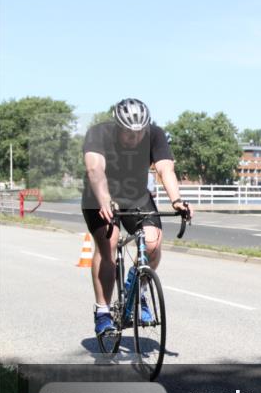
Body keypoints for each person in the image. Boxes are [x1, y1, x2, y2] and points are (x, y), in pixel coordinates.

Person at [82, 99, 192, 335]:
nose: (135, 137)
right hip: (99, 193)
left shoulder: (155, 134)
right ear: (117, 127)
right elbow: (95, 170)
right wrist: (104, 201)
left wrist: (177, 200)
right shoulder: (99, 133)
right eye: (129, 133)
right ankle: (102, 312)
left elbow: (165, 169)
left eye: (140, 132)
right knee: (108, 244)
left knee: (153, 242)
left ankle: (137, 288)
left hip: (136, 195)